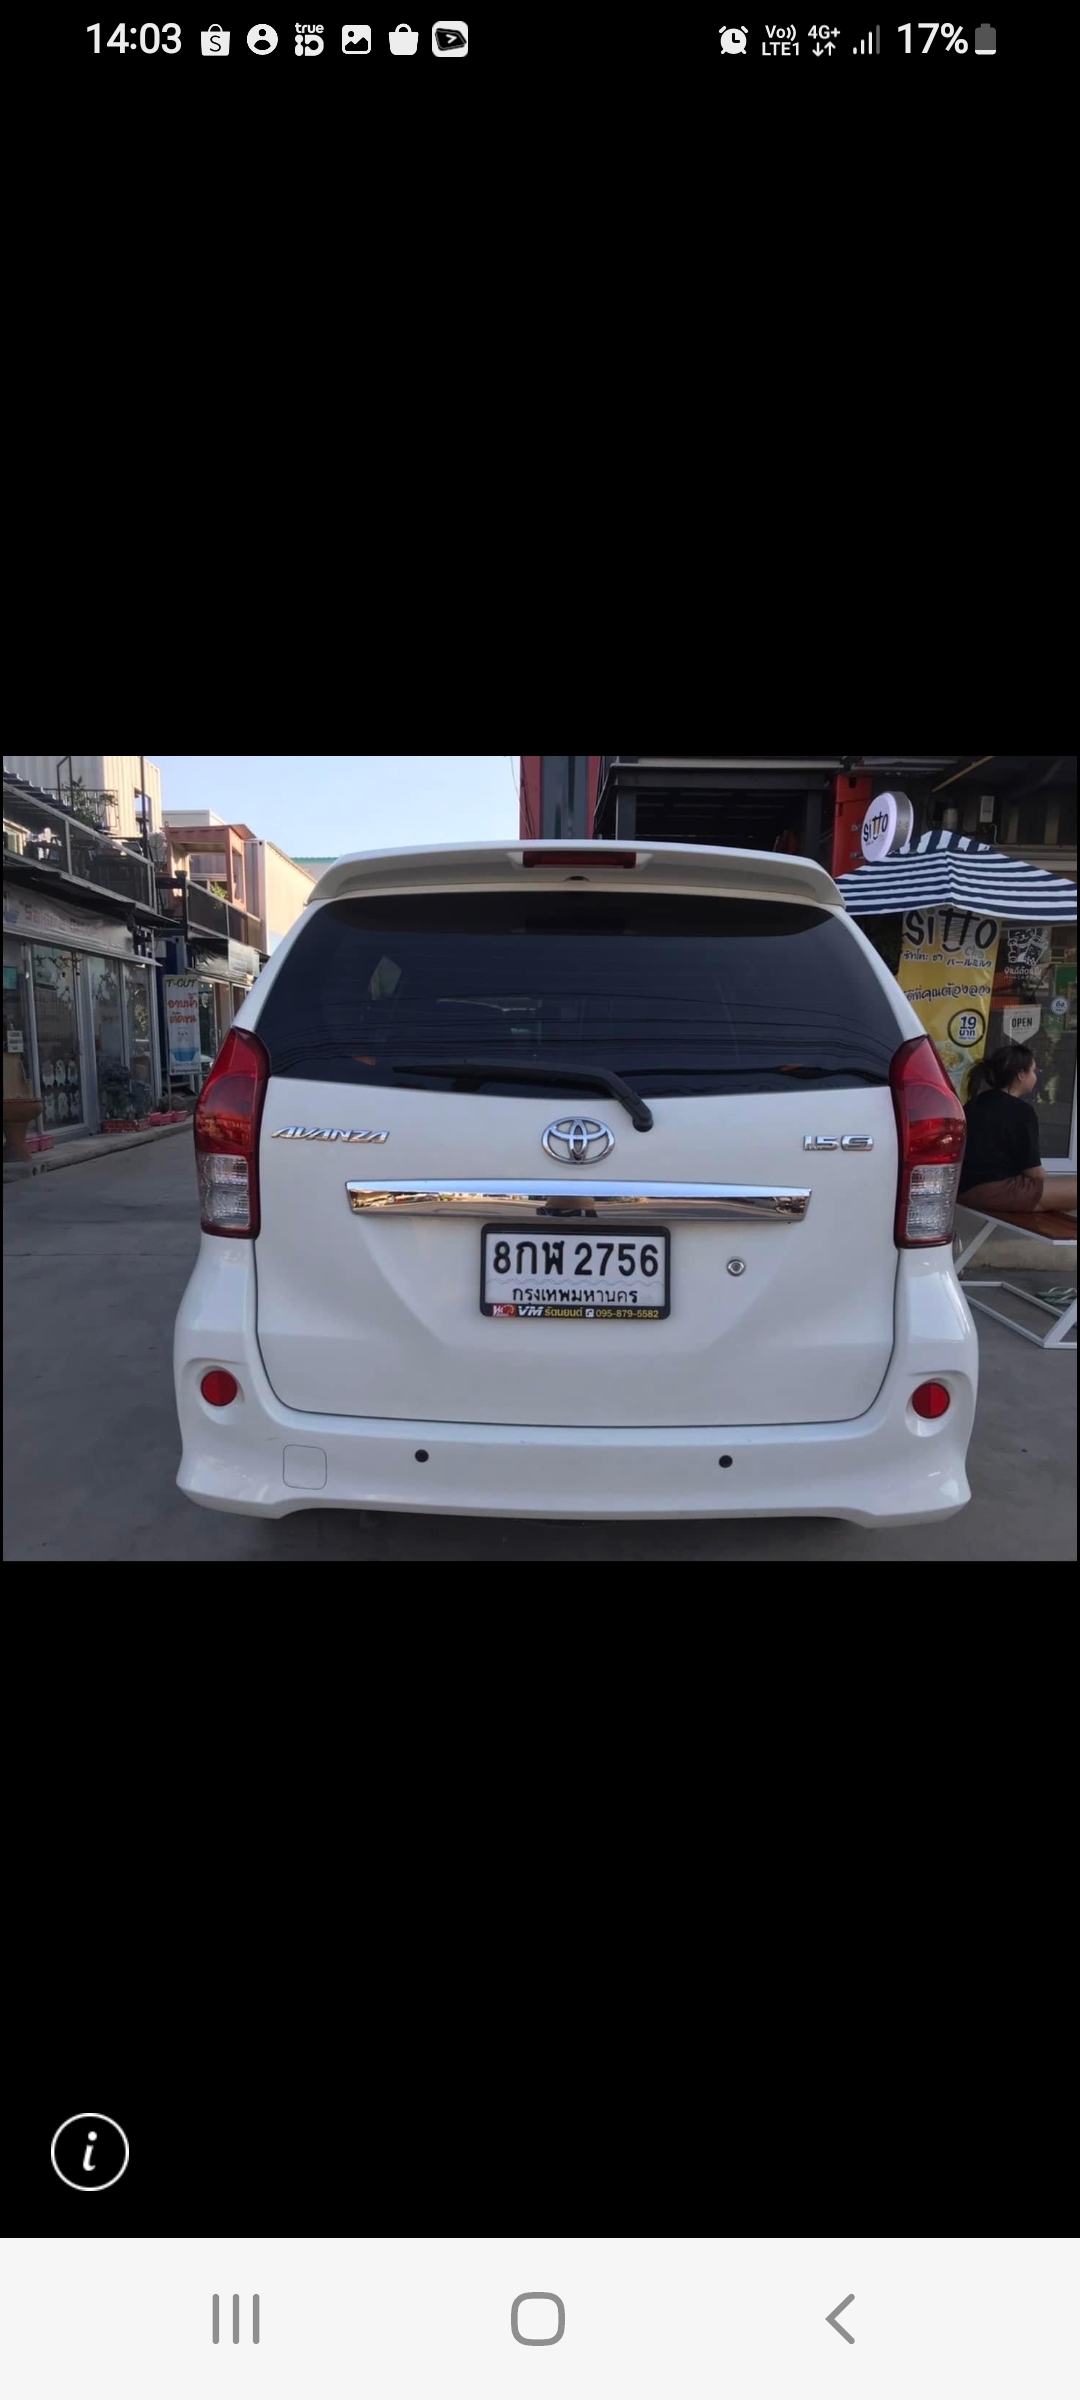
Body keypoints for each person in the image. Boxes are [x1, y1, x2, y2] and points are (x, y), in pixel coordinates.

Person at [960, 1043, 1076, 1213]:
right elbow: (1034, 1172)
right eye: (1033, 1070)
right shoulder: (1022, 1111)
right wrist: (1057, 1193)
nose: (1036, 1076)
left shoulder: (975, 1103)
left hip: (963, 1190)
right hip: (994, 1192)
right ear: (1021, 1075)